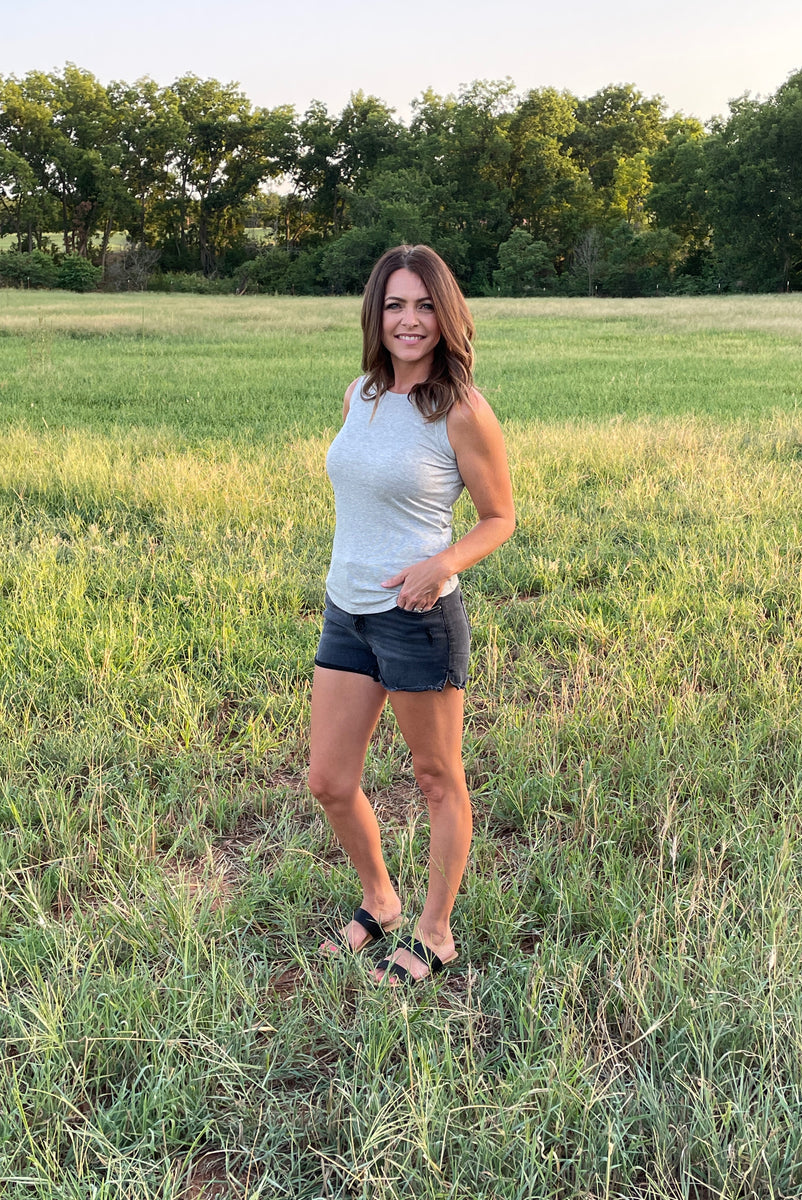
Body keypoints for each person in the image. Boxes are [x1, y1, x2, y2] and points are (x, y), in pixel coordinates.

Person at [308, 244, 515, 983]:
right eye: (396, 304)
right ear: (377, 313)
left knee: (435, 777)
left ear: (446, 314)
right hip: (347, 612)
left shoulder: (461, 409)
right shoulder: (359, 393)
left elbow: (499, 517)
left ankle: (436, 931)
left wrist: (443, 563)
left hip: (417, 617)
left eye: (425, 305)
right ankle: (381, 902)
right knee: (329, 779)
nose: (410, 319)